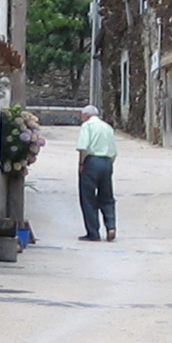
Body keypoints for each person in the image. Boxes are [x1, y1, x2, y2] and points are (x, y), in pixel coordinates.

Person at [76, 104, 117, 242]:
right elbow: (114, 152)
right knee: (107, 197)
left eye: (82, 116)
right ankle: (111, 226)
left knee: (88, 198)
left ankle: (93, 232)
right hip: (107, 162)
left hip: (92, 162)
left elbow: (83, 147)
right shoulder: (107, 127)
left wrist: (81, 164)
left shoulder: (87, 126)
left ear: (86, 115)